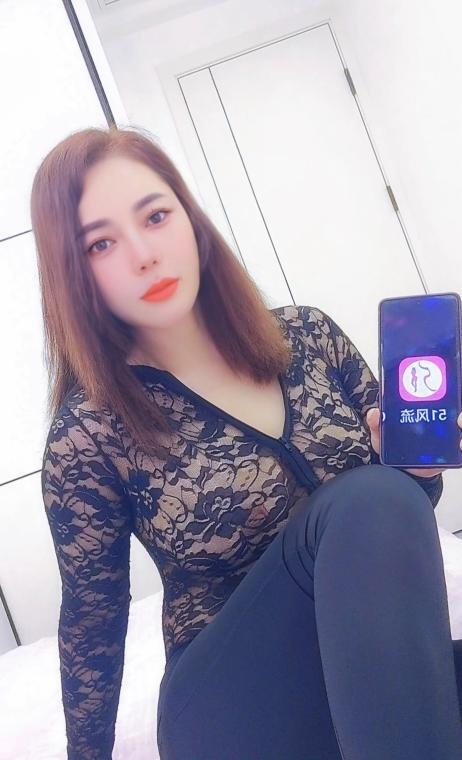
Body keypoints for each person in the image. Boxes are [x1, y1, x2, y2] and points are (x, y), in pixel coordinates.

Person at [33, 125, 462, 760]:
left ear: (191, 219)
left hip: (349, 667)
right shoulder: (89, 434)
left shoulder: (309, 337)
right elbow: (92, 622)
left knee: (382, 497)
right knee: (372, 494)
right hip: (230, 704)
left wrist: (421, 472)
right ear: (74, 275)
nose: (143, 254)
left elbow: (393, 522)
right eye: (101, 243)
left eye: (155, 216)